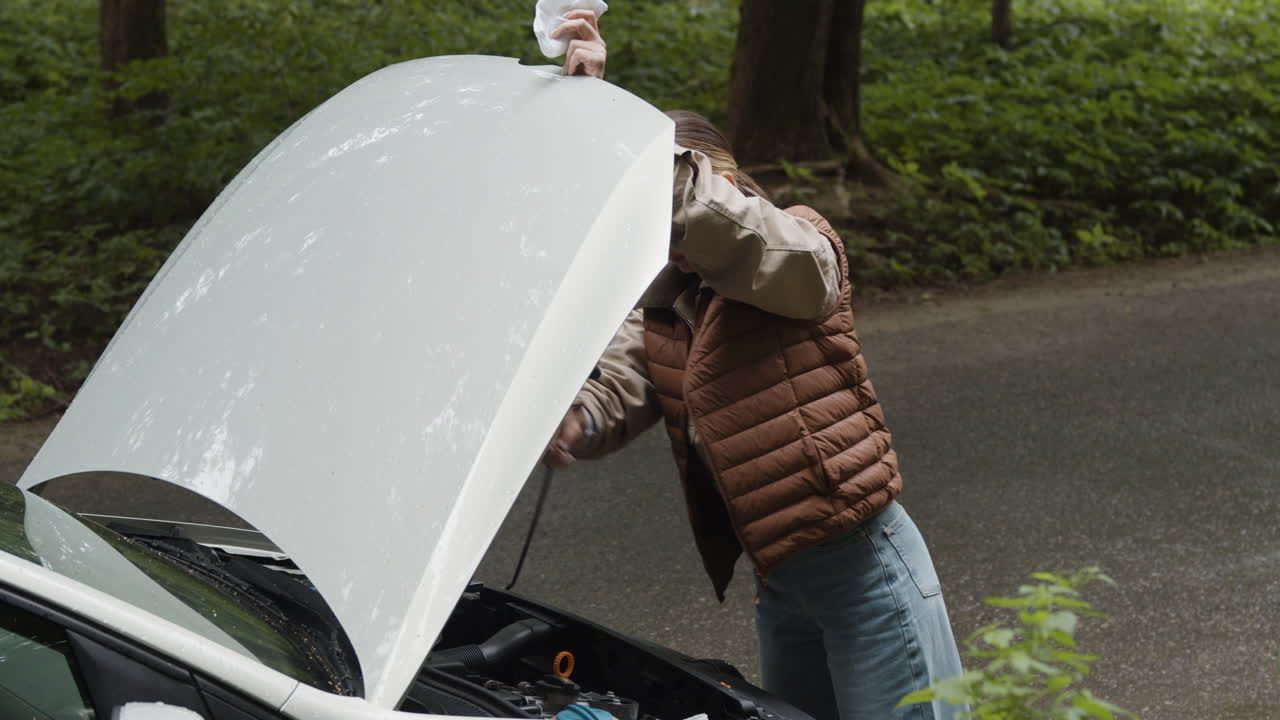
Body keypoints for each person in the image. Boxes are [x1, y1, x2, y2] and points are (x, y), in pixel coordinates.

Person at [544, 13, 965, 720]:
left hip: (869, 575)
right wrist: (568, 422)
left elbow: (746, 240)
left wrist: (644, 158)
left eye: (672, 222)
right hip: (781, 589)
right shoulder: (667, 310)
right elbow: (614, 385)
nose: (667, 244)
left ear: (719, 188)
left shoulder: (799, 251)